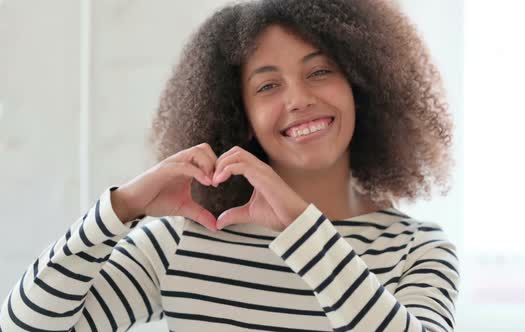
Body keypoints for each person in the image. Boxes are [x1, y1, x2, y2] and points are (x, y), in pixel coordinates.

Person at [0, 0, 459, 331]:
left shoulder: (416, 250)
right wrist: (120, 209)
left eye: (320, 72)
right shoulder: (185, 239)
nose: (298, 99)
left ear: (361, 85)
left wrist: (303, 229)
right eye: (267, 86)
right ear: (240, 117)